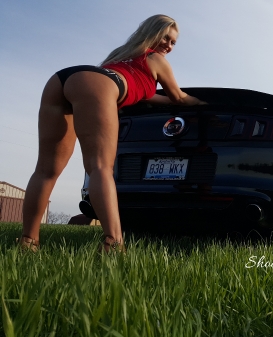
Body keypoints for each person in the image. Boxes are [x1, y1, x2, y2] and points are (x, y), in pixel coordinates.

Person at [19, 14, 204, 252]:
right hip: (98, 85)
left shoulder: (123, 54)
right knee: (100, 167)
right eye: (165, 38)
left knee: (46, 170)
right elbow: (178, 97)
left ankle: (28, 241)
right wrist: (203, 103)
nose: (168, 45)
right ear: (152, 34)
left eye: (173, 42)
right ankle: (113, 243)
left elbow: (147, 95)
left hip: (64, 79)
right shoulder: (155, 58)